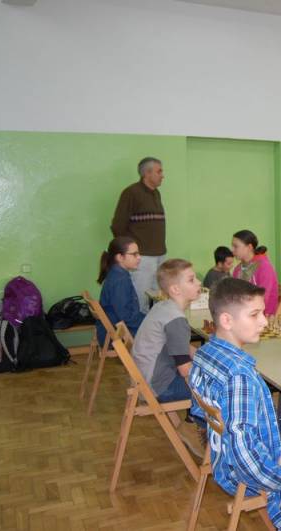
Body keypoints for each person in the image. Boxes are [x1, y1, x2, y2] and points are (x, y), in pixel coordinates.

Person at [189, 278, 281, 531]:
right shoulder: (238, 376)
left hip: (238, 453)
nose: (264, 321)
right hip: (262, 468)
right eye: (254, 315)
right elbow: (243, 449)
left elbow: (199, 413)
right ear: (227, 320)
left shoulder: (205, 354)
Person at [132, 259, 201, 403]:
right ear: (175, 289)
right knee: (221, 387)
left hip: (144, 380)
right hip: (159, 386)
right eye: (191, 280)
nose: (199, 283)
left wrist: (205, 358)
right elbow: (185, 370)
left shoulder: (163, 306)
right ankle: (205, 415)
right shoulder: (176, 320)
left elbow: (182, 346)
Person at [111, 157, 167, 313]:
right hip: (142, 258)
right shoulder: (131, 193)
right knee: (141, 300)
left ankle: (155, 328)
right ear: (147, 173)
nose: (162, 175)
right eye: (159, 171)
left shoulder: (156, 193)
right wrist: (130, 252)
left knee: (159, 299)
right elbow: (117, 225)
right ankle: (138, 328)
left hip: (160, 255)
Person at [96, 236, 146, 347]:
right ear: (120, 257)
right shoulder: (120, 280)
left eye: (138, 253)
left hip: (117, 329)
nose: (139, 257)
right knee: (163, 331)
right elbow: (126, 316)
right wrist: (148, 321)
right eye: (134, 254)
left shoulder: (117, 274)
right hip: (117, 335)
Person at [231, 230, 278, 315]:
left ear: (249, 247)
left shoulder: (264, 267)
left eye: (236, 246)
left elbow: (262, 298)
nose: (232, 250)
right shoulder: (237, 269)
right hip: (243, 312)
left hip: (262, 316)